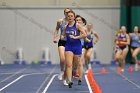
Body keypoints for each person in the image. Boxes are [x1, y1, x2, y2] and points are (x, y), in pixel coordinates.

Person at [61, 10, 87, 88]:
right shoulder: (66, 26)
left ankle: (77, 75)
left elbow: (84, 34)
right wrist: (63, 37)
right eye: (68, 16)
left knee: (76, 65)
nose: (70, 17)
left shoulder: (77, 25)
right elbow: (62, 35)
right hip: (68, 46)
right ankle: (70, 81)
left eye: (71, 16)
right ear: (67, 17)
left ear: (74, 17)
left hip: (77, 46)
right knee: (68, 65)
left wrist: (76, 37)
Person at [53, 8, 72, 85]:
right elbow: (56, 29)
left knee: (69, 62)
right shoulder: (60, 21)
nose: (67, 14)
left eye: (69, 12)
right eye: (66, 12)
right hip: (62, 42)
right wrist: (55, 37)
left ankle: (69, 74)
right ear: (64, 13)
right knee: (62, 58)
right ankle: (61, 71)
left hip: (71, 42)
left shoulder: (73, 22)